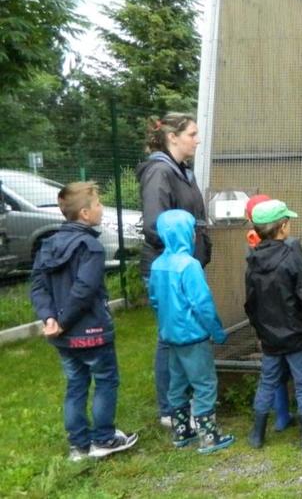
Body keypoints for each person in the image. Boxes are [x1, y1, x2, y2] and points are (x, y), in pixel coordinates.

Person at [30, 181, 139, 461]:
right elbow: (84, 290)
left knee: (76, 384)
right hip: (92, 332)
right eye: (98, 204)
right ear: (85, 214)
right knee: (105, 381)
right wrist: (62, 320)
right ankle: (103, 439)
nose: (102, 208)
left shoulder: (48, 244)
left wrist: (50, 318)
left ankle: (79, 446)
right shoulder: (90, 246)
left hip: (63, 337)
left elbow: (38, 286)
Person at [136, 112, 210, 427]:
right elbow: (156, 225)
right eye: (192, 134)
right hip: (168, 269)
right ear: (173, 137)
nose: (197, 139)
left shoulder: (181, 171)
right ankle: (170, 409)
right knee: (171, 338)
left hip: (184, 267)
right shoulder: (159, 173)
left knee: (184, 336)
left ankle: (184, 399)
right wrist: (181, 256)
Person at [244, 200, 302, 452]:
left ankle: (257, 435)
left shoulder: (253, 260)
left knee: (267, 381)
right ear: (282, 227)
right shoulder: (293, 255)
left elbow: (251, 302)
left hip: (270, 336)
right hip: (297, 334)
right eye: (288, 222)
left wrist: (261, 330)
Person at [149, 209, 233, 454]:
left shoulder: (157, 265)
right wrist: (216, 331)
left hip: (170, 336)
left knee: (177, 384)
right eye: (193, 231)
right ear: (186, 234)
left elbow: (154, 300)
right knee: (205, 384)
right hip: (193, 337)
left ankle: (181, 431)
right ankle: (208, 436)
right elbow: (202, 304)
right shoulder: (190, 265)